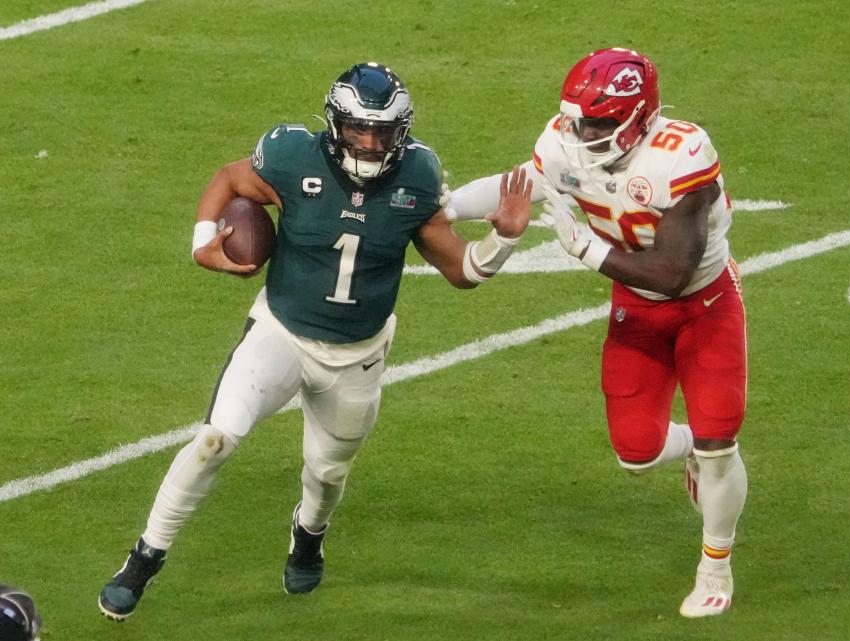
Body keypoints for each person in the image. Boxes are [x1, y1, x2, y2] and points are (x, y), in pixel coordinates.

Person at [98, 62, 532, 621]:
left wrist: (505, 237)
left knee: (327, 474)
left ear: (402, 132)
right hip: (281, 332)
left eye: (383, 132)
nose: (371, 143)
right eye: (359, 129)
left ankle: (308, 534)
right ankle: (143, 559)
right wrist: (204, 241)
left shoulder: (417, 175)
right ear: (335, 125)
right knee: (215, 439)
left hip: (357, 355)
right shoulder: (291, 154)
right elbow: (230, 177)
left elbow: (464, 272)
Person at [447, 47, 748, 618]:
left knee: (720, 440)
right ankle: (691, 449)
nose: (585, 132)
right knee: (636, 452)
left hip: (705, 304)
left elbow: (672, 272)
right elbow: (523, 184)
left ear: (638, 117)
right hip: (637, 308)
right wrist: (445, 206)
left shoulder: (681, 154)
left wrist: (586, 247)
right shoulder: (566, 143)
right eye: (581, 118)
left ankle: (716, 564)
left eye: (602, 122)